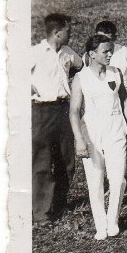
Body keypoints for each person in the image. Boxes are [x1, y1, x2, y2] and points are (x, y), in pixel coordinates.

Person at [68, 34, 127, 240]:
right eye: (105, 51)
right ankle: (100, 225)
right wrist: (79, 139)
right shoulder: (81, 78)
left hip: (116, 128)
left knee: (118, 180)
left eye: (110, 50)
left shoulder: (116, 73)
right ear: (92, 54)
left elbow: (123, 100)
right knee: (95, 181)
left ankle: (112, 220)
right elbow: (74, 111)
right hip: (92, 132)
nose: (109, 54)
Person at [31, 13, 84, 223]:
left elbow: (81, 67)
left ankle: (59, 206)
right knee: (42, 162)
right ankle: (41, 213)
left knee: (66, 159)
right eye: (68, 31)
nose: (70, 35)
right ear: (57, 32)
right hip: (41, 112)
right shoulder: (34, 53)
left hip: (64, 110)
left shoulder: (68, 53)